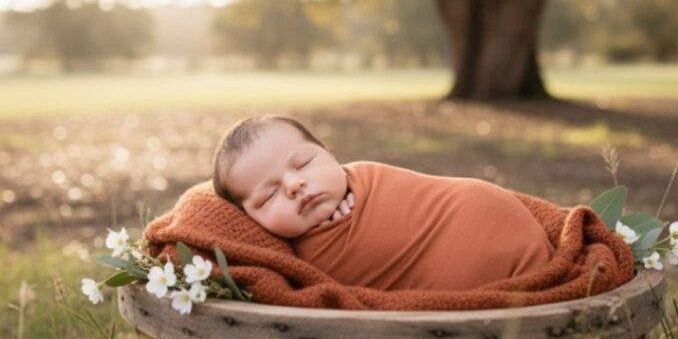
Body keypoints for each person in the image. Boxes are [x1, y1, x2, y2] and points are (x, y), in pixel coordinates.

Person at [212, 115, 555, 291]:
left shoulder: (366, 178)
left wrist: (356, 203)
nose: (294, 185)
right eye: (269, 196)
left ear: (330, 154)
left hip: (480, 215)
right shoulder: (286, 260)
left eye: (303, 164)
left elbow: (400, 203)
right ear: (248, 219)